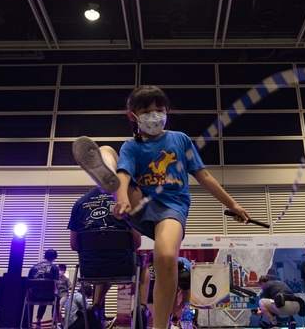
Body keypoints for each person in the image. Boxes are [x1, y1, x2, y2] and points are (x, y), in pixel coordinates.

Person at [72, 85, 250, 329]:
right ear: (132, 115)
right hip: (139, 201)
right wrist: (121, 198)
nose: (154, 115)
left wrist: (233, 205)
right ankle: (108, 181)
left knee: (165, 257)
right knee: (106, 151)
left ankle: (160, 326)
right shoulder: (132, 146)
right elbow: (125, 175)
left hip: (172, 207)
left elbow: (204, 176)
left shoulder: (180, 139)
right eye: (146, 111)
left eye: (159, 110)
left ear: (167, 111)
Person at [68, 187, 150, 327]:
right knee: (142, 266)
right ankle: (141, 308)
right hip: (121, 266)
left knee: (104, 264)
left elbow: (74, 245)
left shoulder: (80, 203)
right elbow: (136, 243)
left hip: (90, 269)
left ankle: (96, 307)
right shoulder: (124, 202)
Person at [28, 249, 60, 328]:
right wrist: (56, 292)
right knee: (56, 298)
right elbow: (55, 283)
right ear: (53, 258)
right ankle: (54, 322)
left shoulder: (33, 267)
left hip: (33, 297)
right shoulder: (54, 267)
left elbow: (28, 283)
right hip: (48, 296)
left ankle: (38, 322)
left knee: (43, 299)